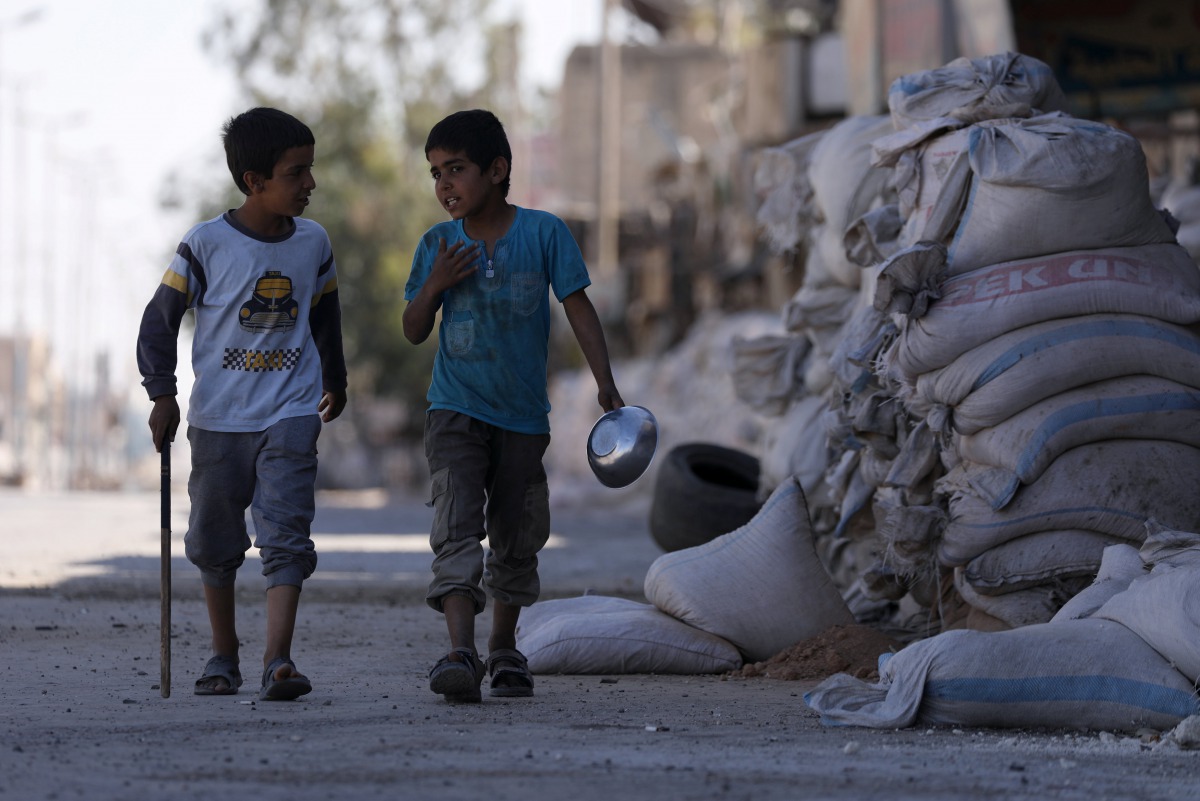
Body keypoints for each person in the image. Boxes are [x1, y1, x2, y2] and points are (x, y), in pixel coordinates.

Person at [403, 109, 624, 702]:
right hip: (454, 408)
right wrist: (435, 285)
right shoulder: (437, 245)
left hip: (523, 418)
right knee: (455, 527)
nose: (445, 185)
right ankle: (459, 652)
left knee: (516, 533)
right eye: (435, 174)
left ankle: (503, 648)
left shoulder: (545, 233)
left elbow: (578, 307)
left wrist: (604, 381)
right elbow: (414, 329)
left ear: (497, 170)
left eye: (456, 169)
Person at [136, 107, 348, 702]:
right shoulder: (205, 245)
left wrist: (336, 375)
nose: (310, 183)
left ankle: (278, 659)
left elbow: (326, 314)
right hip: (218, 419)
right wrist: (161, 393)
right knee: (215, 541)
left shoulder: (314, 242)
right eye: (296, 172)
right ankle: (222, 653)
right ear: (255, 182)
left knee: (286, 534)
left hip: (292, 410)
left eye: (310, 169)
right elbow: (158, 324)